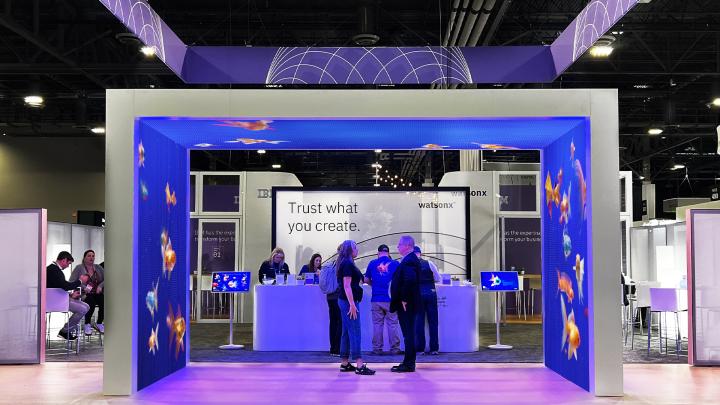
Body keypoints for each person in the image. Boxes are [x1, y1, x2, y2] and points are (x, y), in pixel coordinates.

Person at [336, 240, 375, 375]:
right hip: (348, 302)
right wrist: (352, 304)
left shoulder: (347, 263)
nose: (357, 250)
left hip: (345, 301)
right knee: (355, 331)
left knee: (347, 331)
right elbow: (347, 286)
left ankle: (345, 363)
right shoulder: (347, 264)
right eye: (355, 247)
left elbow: (358, 281)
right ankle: (359, 364)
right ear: (349, 250)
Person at [389, 235, 422, 373]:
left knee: (408, 334)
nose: (397, 247)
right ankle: (407, 362)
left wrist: (404, 299)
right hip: (409, 302)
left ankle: (409, 364)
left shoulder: (409, 261)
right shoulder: (410, 259)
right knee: (408, 333)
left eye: (399, 244)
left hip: (407, 303)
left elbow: (409, 280)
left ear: (407, 245)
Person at [364, 244, 401, 355]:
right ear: (389, 253)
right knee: (393, 324)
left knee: (377, 324)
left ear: (378, 253)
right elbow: (399, 281)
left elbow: (365, 279)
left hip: (376, 298)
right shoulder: (395, 264)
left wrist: (373, 284)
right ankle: (395, 349)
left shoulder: (372, 263)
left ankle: (377, 349)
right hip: (390, 299)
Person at [46, 251, 89, 340]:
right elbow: (65, 286)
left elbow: (58, 287)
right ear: (64, 260)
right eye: (68, 263)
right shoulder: (54, 270)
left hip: (56, 299)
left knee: (87, 306)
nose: (68, 266)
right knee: (83, 309)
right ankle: (65, 331)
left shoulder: (52, 269)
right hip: (55, 302)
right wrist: (80, 281)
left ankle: (66, 330)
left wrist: (70, 295)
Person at [70, 250, 105, 335]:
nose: (91, 258)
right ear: (84, 257)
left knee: (104, 301)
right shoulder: (79, 267)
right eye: (89, 256)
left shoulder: (98, 267)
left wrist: (100, 286)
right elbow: (71, 281)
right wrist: (84, 287)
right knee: (91, 303)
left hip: (96, 292)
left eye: (93, 256)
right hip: (84, 293)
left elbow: (106, 279)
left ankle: (99, 323)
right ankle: (87, 324)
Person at [414, 246, 440, 355]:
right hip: (431, 293)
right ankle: (434, 349)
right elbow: (438, 278)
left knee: (419, 322)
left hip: (418, 295)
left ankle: (420, 349)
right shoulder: (429, 263)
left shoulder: (410, 265)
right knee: (433, 322)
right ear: (421, 253)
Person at [319, 246, 342, 356]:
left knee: (333, 322)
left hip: (330, 296)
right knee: (340, 323)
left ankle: (333, 349)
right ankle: (337, 349)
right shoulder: (344, 263)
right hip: (339, 297)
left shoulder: (331, 263)